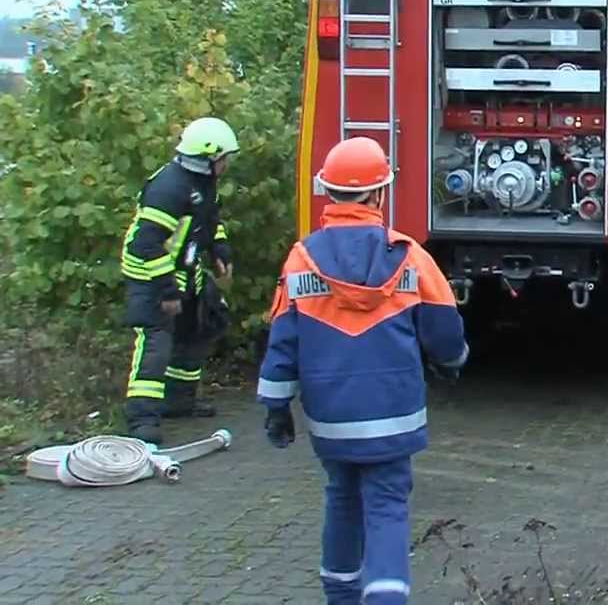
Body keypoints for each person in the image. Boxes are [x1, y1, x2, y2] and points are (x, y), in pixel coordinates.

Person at [256, 136, 468, 605]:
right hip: (395, 415)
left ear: (328, 192)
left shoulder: (301, 259)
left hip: (331, 420)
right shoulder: (408, 255)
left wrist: (275, 406)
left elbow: (283, 341)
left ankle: (340, 597)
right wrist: (452, 364)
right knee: (388, 507)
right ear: (378, 193)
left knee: (342, 498)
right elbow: (445, 330)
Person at [119, 116, 238, 444]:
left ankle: (179, 401)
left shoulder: (202, 184)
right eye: (224, 158)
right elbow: (145, 243)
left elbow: (209, 222)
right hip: (151, 273)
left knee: (202, 324)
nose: (227, 164)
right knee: (157, 342)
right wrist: (166, 289)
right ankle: (142, 419)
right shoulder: (169, 188)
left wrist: (220, 250)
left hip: (184, 269)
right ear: (208, 158)